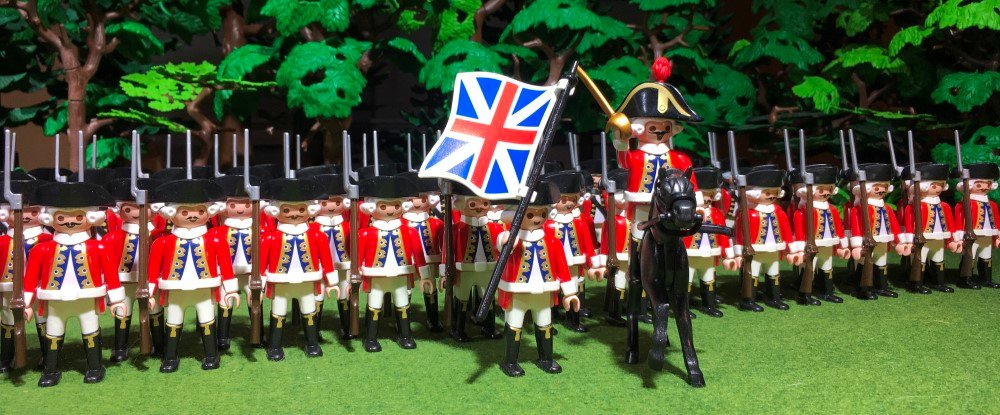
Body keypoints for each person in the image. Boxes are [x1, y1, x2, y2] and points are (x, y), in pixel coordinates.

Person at [24, 181, 124, 387]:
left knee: (90, 331)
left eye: (78, 217)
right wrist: (26, 303)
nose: (70, 221)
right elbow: (31, 278)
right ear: (50, 219)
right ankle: (50, 370)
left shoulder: (99, 247)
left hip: (87, 299)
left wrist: (116, 300)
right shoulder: (42, 249)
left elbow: (111, 275)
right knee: (53, 333)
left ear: (90, 218)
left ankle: (95, 367)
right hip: (55, 301)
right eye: (61, 217)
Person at [148, 178, 238, 373]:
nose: (192, 216)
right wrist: (149, 293)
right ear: (171, 214)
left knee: (207, 321)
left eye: (199, 211)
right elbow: (153, 272)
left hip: (204, 290)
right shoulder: (162, 243)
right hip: (175, 291)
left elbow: (226, 267)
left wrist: (231, 290)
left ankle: (211, 355)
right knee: (173, 322)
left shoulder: (216, 240)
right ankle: (170, 357)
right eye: (185, 212)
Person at [495, 180, 580, 377]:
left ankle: (546, 358)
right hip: (518, 292)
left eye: (542, 214)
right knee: (514, 325)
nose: (537, 219)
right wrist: (506, 239)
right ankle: (510, 361)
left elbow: (562, 268)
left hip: (544, 291)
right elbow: (501, 244)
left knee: (545, 324)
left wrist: (569, 293)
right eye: (530, 214)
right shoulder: (512, 239)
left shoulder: (552, 241)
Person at [259, 177, 337, 360]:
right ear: (276, 211)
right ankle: (275, 346)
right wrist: (258, 287)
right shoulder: (269, 238)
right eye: (286, 210)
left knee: (309, 312)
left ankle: (312, 343)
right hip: (280, 283)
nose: (294, 214)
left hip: (307, 282)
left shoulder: (317, 236)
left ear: (309, 210)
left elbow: (327, 261)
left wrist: (332, 282)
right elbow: (261, 265)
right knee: (278, 313)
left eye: (301, 209)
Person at [357, 175, 427, 352]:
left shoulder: (409, 232)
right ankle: (371, 338)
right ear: (371, 208)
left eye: (396, 206)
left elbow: (419, 255)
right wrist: (354, 278)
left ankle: (405, 336)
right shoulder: (365, 234)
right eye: (383, 206)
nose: (390, 210)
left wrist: (425, 277)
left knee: (403, 305)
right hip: (376, 278)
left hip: (400, 276)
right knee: (374, 306)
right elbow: (357, 259)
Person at [101, 177, 164, 361]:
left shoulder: (157, 236)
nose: (136, 212)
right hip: (124, 283)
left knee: (155, 313)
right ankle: (120, 348)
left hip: (150, 283)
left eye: (142, 207)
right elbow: (108, 265)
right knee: (123, 313)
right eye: (129, 209)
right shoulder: (112, 238)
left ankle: (159, 345)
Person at [443, 184, 504, 341]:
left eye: (485, 203)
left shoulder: (494, 227)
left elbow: (500, 245)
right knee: (461, 299)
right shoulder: (455, 228)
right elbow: (447, 253)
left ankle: (489, 327)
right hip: (464, 271)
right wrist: (444, 273)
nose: (480, 207)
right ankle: (458, 329)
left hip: (487, 270)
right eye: (473, 203)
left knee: (488, 299)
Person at [729, 167, 795, 311]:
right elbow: (739, 235)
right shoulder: (747, 214)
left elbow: (786, 231)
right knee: (752, 275)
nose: (772, 196)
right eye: (768, 193)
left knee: (774, 274)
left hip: (774, 250)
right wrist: (739, 253)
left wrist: (791, 248)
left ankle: (774, 298)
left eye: (775, 192)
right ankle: (748, 300)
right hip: (754, 252)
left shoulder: (778, 212)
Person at [787, 165, 850, 305]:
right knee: (809, 269)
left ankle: (827, 292)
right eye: (821, 189)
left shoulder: (832, 209)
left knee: (827, 267)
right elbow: (799, 232)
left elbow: (838, 228)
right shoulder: (801, 212)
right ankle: (805, 295)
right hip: (810, 246)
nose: (825, 193)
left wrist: (841, 244)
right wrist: (800, 248)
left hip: (827, 244)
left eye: (828, 189)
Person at [848, 163, 910, 298]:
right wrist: (857, 245)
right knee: (863, 264)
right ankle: (862, 288)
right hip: (866, 242)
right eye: (877, 187)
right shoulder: (858, 209)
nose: (881, 190)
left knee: (881, 263)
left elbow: (894, 226)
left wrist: (899, 241)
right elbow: (856, 227)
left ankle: (881, 286)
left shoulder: (887, 208)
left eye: (884, 187)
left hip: (883, 241)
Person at [901, 164, 962, 293]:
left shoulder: (944, 206)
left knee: (938, 260)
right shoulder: (913, 206)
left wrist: (954, 238)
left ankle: (938, 283)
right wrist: (909, 240)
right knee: (920, 261)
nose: (938, 188)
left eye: (941, 185)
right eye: (934, 186)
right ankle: (917, 284)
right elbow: (909, 224)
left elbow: (950, 223)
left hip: (939, 238)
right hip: (921, 239)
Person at [953, 163, 1000, 289]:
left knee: (986, 256)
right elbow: (959, 220)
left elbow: (997, 221)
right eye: (979, 184)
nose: (984, 187)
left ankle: (986, 279)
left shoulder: (992, 205)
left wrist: (997, 235)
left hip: (988, 235)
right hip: (971, 236)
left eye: (988, 184)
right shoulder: (964, 204)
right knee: (970, 256)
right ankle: (965, 279)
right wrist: (959, 237)